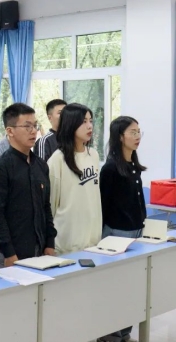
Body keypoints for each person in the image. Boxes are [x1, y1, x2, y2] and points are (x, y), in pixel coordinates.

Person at [0, 104, 57, 268]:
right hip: (10, 252)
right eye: (27, 126)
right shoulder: (0, 168)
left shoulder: (41, 166)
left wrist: (50, 243)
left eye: (35, 126)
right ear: (10, 131)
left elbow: (45, 207)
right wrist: (9, 253)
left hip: (39, 248)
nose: (33, 131)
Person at [97, 117, 147, 342]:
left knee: (133, 286)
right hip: (117, 234)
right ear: (120, 136)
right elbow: (103, 205)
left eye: (139, 132)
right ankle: (111, 334)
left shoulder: (134, 167)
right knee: (116, 287)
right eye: (132, 132)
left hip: (137, 233)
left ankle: (124, 331)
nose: (137, 137)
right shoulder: (110, 169)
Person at [48, 103, 102, 255]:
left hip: (93, 241)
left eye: (90, 121)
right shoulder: (57, 159)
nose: (89, 126)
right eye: (84, 122)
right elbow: (51, 204)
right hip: (66, 244)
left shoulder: (93, 155)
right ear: (70, 124)